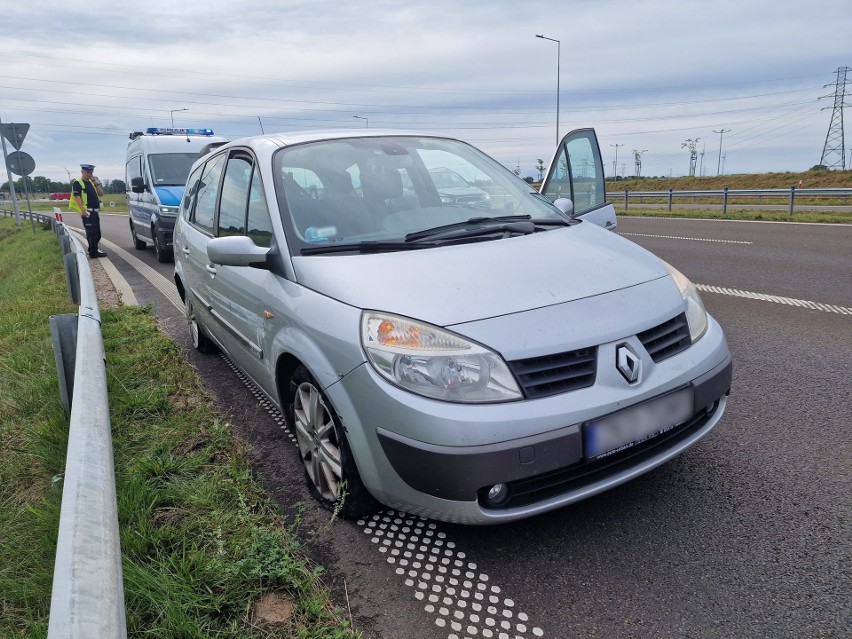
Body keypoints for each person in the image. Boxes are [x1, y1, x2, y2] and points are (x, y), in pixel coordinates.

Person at [70, 163, 107, 258]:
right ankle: (93, 252)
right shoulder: (78, 182)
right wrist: (83, 210)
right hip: (87, 212)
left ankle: (94, 250)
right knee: (92, 233)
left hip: (95, 211)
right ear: (82, 172)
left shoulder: (91, 182)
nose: (89, 174)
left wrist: (96, 183)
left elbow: (101, 194)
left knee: (97, 233)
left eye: (91, 172)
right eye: (87, 172)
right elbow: (77, 196)